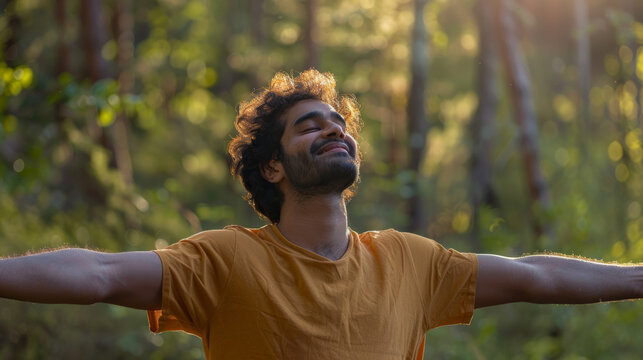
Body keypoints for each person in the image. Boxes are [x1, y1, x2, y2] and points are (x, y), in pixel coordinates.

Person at [0, 69, 641, 359]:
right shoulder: (225, 260)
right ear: (273, 167)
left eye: (339, 123)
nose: (334, 131)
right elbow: (102, 274)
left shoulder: (411, 262)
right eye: (310, 127)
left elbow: (538, 276)